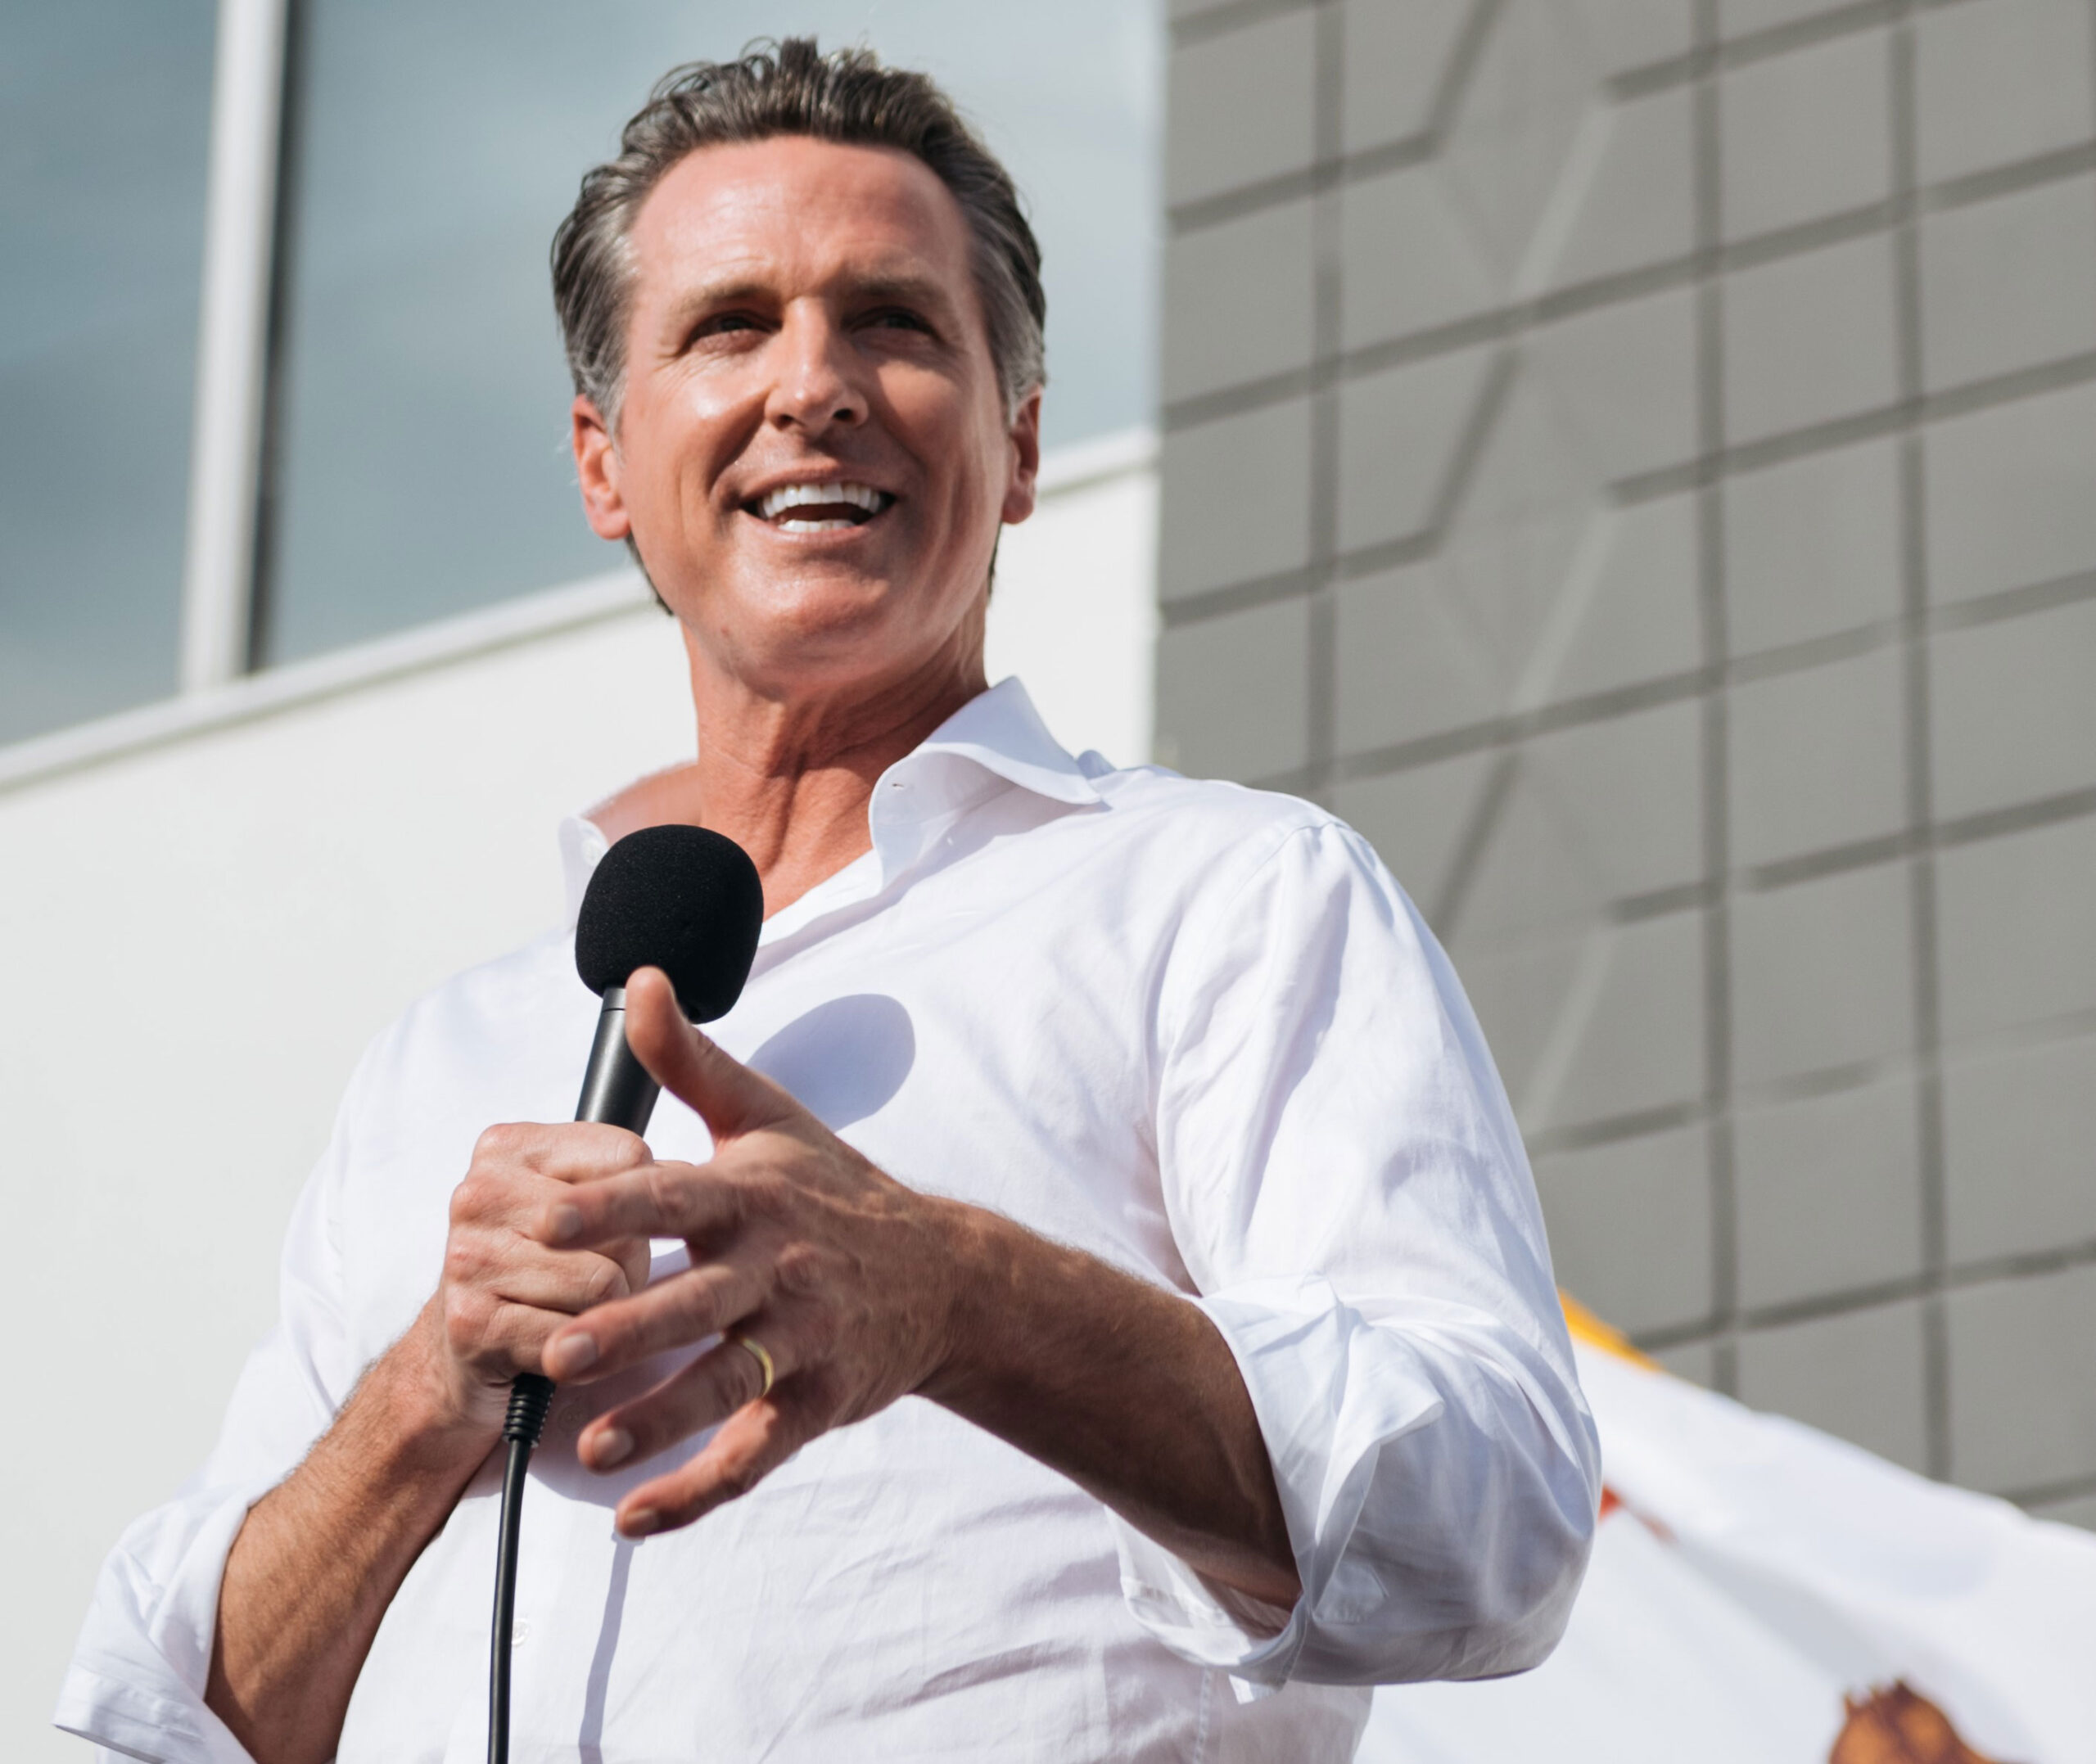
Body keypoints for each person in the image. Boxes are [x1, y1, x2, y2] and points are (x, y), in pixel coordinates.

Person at [59, 39, 1597, 1764]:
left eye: (893, 321)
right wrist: (433, 1385)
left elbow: (1492, 1517)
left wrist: (956, 1293)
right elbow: (170, 1729)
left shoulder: (1225, 899)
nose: (814, 385)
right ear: (603, 467)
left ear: (1015, 449)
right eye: (730, 325)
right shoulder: (443, 1059)